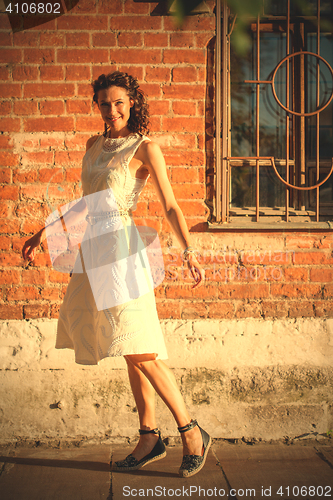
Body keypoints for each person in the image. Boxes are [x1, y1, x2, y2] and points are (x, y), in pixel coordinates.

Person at [22, 71, 209, 478]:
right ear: (98, 106)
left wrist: (188, 251)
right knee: (127, 347)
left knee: (139, 346)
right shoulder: (93, 146)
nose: (112, 110)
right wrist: (45, 232)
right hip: (94, 252)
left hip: (124, 253)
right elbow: (88, 204)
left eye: (119, 102)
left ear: (132, 103)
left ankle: (192, 432)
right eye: (104, 103)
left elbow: (171, 205)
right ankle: (148, 436)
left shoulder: (145, 148)